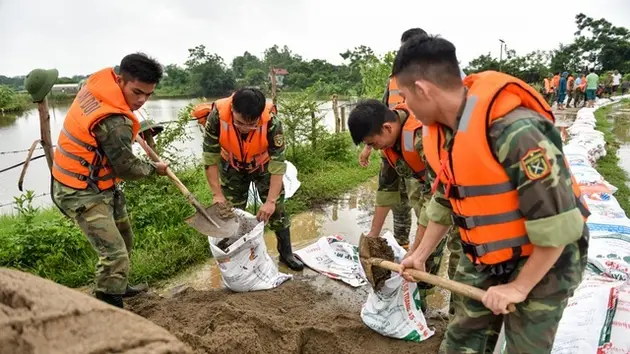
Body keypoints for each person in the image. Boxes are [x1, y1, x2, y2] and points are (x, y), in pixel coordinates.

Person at [392, 35, 590, 353]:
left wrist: (519, 287)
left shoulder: (517, 131)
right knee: (460, 341)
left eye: (405, 96)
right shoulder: (444, 134)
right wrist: (420, 254)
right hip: (486, 255)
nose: (406, 107)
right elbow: (445, 201)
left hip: (546, 261)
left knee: (525, 347)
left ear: (423, 89)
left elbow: (560, 226)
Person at [49, 53, 169, 308]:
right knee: (113, 252)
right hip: (79, 190)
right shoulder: (114, 122)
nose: (141, 100)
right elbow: (127, 168)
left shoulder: (97, 87)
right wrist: (154, 169)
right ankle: (109, 301)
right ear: (120, 80)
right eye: (136, 92)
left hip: (101, 183)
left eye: (148, 95)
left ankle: (119, 285)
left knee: (125, 237)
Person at [347, 99, 460, 313]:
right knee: (425, 252)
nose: (371, 148)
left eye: (371, 143)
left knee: (455, 258)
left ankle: (455, 318)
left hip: (455, 197)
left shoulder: (421, 139)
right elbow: (386, 189)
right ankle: (419, 305)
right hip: (433, 195)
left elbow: (436, 200)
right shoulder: (389, 142)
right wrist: (372, 235)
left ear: (387, 128)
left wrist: (417, 251)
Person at [200, 88, 304, 271]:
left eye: (252, 124)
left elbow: (278, 164)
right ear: (232, 109)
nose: (245, 128)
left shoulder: (272, 122)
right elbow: (210, 157)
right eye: (240, 123)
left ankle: (286, 254)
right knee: (232, 213)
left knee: (277, 209)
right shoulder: (217, 117)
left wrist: (271, 202)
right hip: (231, 166)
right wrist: (217, 194)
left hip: (262, 166)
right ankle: (237, 258)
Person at [358, 27, 428, 248]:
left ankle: (422, 249)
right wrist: (370, 145)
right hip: (390, 140)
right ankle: (403, 244)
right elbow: (380, 111)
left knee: (424, 200)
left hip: (420, 145)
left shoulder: (437, 76)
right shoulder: (394, 80)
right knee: (397, 199)